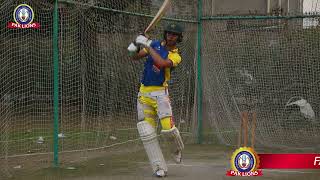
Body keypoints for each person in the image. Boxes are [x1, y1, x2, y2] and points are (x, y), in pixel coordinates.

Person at [127, 23, 185, 177]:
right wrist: (136, 42)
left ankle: (176, 148)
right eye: (169, 33)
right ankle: (159, 167)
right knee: (147, 133)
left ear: (179, 37)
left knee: (168, 130)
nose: (171, 36)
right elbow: (133, 56)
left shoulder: (176, 55)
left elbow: (161, 63)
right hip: (144, 94)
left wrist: (147, 44)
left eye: (174, 34)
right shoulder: (154, 45)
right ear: (165, 33)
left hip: (160, 95)